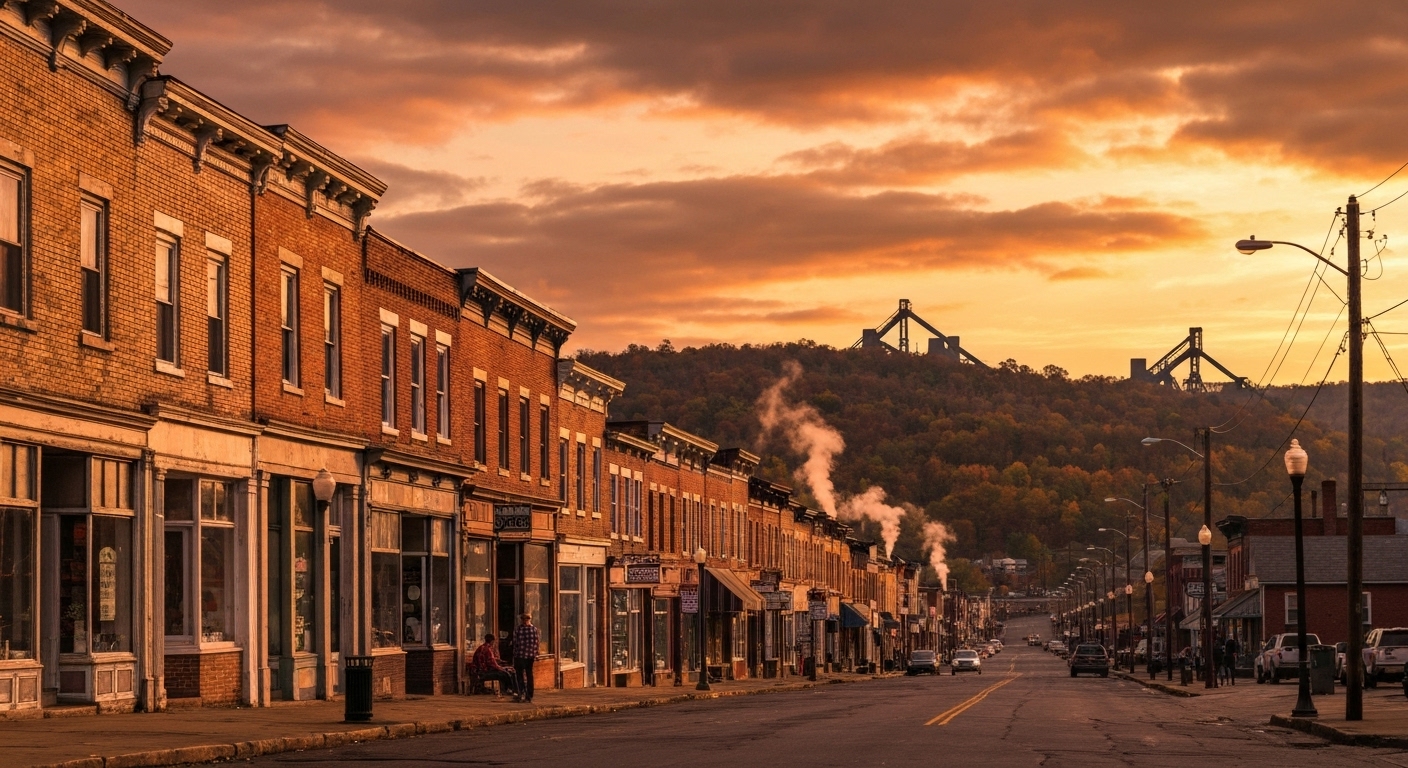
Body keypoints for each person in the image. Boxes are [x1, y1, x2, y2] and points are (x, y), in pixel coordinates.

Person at [470, 633, 517, 698]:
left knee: (505, 672)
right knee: (505, 674)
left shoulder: (481, 648)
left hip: (478, 671)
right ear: (492, 641)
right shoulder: (488, 649)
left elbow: (489, 661)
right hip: (483, 672)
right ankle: (510, 689)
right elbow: (493, 664)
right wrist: (503, 668)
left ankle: (508, 689)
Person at [512, 612, 541, 704]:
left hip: (520, 655)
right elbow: (537, 643)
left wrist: (514, 654)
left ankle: (522, 693)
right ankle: (529, 695)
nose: (524, 621)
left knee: (520, 675)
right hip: (530, 656)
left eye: (525, 619)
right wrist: (536, 653)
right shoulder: (534, 629)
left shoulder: (518, 629)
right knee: (529, 675)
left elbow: (515, 643)